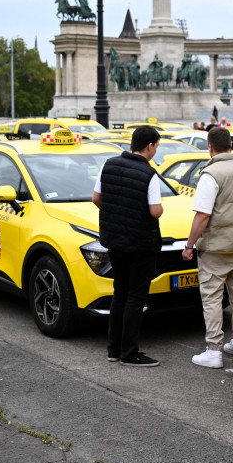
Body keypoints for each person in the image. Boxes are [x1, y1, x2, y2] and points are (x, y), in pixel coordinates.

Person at [182, 128, 233, 368]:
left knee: (212, 297)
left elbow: (202, 215)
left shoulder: (211, 173)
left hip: (216, 247)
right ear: (230, 145)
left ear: (210, 148)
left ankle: (214, 349)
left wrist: (189, 244)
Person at [91, 125, 165, 367]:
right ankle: (130, 353)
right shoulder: (149, 174)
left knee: (119, 293)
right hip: (141, 244)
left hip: (114, 240)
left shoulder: (108, 164)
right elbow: (155, 211)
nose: (156, 150)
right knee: (136, 297)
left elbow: (96, 199)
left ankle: (113, 349)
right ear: (150, 146)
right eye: (157, 146)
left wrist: (118, 216)